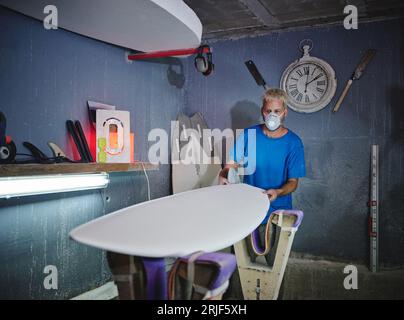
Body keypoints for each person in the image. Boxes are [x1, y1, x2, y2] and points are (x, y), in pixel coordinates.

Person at [219, 88, 306, 265]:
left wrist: (278, 191)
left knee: (276, 270)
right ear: (262, 111)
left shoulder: (294, 143)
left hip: (277, 214)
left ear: (285, 113)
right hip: (248, 211)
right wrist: (224, 175)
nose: (272, 116)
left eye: (277, 111)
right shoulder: (249, 135)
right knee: (241, 266)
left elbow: (293, 183)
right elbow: (230, 165)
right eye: (268, 111)